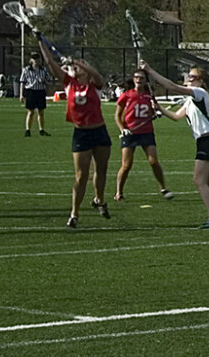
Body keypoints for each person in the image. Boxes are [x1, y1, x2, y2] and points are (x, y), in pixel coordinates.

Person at [139, 60, 209, 228]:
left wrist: (150, 70)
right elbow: (176, 116)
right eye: (189, 77)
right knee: (206, 182)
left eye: (193, 77)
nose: (189, 79)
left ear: (200, 81)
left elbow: (172, 86)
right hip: (204, 140)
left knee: (198, 181)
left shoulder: (199, 93)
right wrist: (159, 108)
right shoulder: (189, 101)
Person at [37, 33, 111, 228]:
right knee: (81, 175)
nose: (76, 71)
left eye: (79, 69)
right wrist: (40, 40)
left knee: (101, 170)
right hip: (82, 134)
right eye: (75, 69)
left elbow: (97, 75)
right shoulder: (69, 84)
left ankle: (99, 200)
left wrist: (79, 63)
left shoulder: (95, 86)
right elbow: (50, 63)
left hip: (100, 132)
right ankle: (74, 213)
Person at [114, 69, 174, 202]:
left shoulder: (149, 96)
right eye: (136, 77)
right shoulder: (126, 95)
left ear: (145, 80)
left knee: (153, 161)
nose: (138, 80)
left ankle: (163, 188)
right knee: (126, 165)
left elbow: (155, 111)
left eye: (141, 77)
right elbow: (117, 115)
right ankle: (119, 192)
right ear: (133, 79)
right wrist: (122, 129)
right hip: (130, 132)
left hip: (146, 132)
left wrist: (156, 113)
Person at [20, 60, 51, 136]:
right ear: (31, 60)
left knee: (41, 112)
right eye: (34, 59)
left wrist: (44, 80)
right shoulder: (26, 69)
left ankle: (42, 130)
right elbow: (22, 82)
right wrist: (21, 94)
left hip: (40, 91)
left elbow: (48, 80)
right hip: (31, 91)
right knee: (31, 112)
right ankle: (28, 130)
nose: (36, 61)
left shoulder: (43, 70)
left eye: (37, 58)